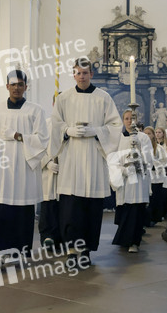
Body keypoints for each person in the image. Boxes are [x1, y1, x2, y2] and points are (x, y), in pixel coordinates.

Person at [48, 57, 122, 266]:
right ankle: (72, 251)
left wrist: (96, 131)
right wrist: (66, 130)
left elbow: (115, 126)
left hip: (93, 159)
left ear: (91, 74)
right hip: (71, 159)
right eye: (78, 73)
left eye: (85, 72)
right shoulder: (63, 98)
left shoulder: (103, 97)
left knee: (90, 209)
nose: (82, 76)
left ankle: (86, 251)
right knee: (71, 209)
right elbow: (54, 124)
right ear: (73, 74)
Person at [0, 69, 49, 268]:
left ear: (26, 86)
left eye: (20, 84)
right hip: (0, 168)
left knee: (22, 211)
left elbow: (43, 139)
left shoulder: (35, 111)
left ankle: (19, 253)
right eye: (13, 84)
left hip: (24, 167)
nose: (17, 88)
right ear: (7, 86)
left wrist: (17, 135)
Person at [107, 109, 153, 253]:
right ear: (123, 120)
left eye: (132, 118)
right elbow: (112, 160)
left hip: (138, 182)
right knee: (125, 211)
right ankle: (124, 240)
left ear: (136, 120)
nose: (129, 121)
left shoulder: (143, 138)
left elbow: (149, 160)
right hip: (124, 181)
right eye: (126, 118)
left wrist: (138, 151)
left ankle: (134, 242)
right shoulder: (117, 138)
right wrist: (124, 171)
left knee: (136, 212)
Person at [38, 95, 62, 250]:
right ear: (53, 103)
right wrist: (47, 162)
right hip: (48, 171)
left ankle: (61, 238)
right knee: (48, 205)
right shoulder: (44, 125)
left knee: (63, 207)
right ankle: (47, 236)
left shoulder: (69, 125)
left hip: (64, 173)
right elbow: (37, 147)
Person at [144, 126, 167, 226]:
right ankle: (145, 219)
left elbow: (164, 161)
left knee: (155, 199)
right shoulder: (142, 147)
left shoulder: (159, 148)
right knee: (146, 200)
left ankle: (153, 218)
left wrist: (154, 165)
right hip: (145, 177)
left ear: (153, 135)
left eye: (149, 133)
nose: (147, 136)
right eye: (145, 134)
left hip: (156, 178)